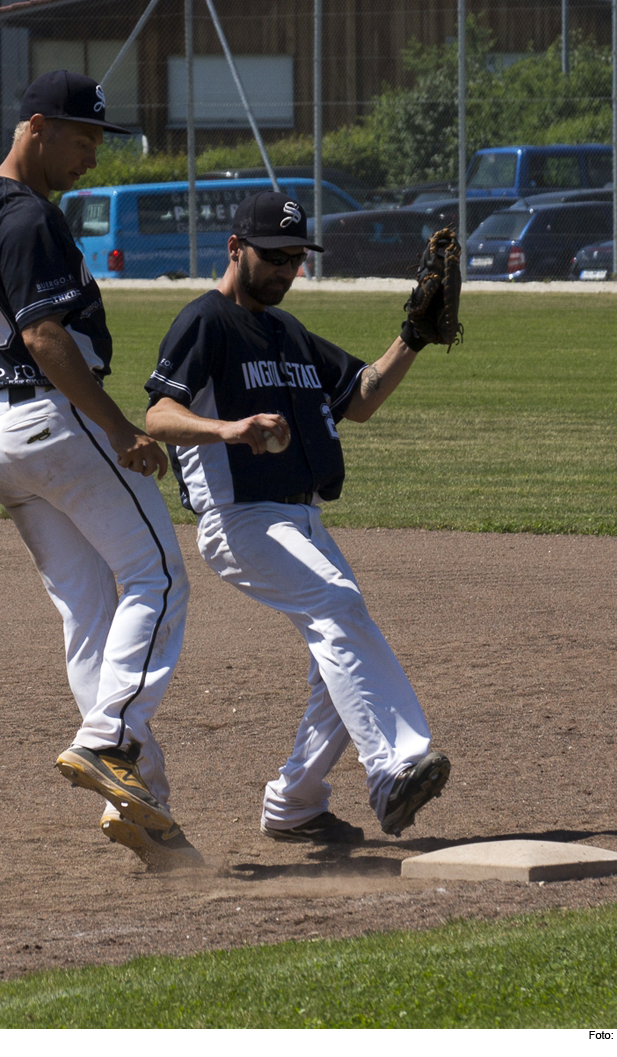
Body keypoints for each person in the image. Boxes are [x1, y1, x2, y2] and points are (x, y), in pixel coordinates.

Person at [0, 70, 201, 870]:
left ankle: (141, 795)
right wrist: (119, 425)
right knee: (159, 577)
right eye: (83, 137)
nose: (93, 153)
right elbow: (46, 338)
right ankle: (108, 740)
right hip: (55, 420)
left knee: (89, 607)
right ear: (38, 127)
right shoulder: (29, 217)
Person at [144, 190, 450, 846]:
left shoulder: (288, 333)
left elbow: (359, 397)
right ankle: (394, 767)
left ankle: (295, 802)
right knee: (340, 606)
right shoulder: (206, 321)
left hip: (302, 519)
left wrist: (412, 337)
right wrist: (230, 429)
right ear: (235, 249)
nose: (287, 269)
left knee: (341, 656)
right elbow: (158, 415)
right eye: (275, 256)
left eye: (296, 258)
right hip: (241, 518)